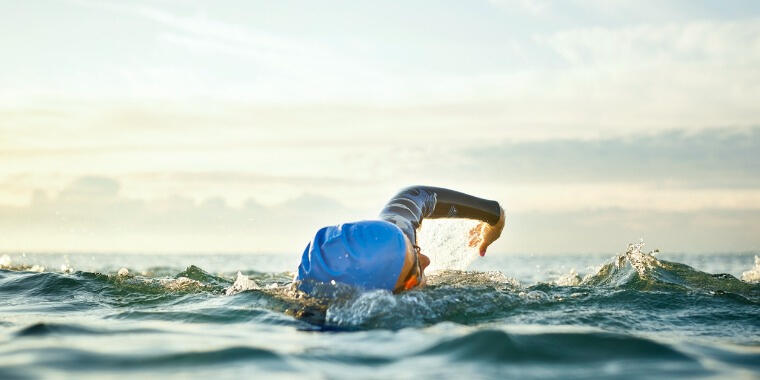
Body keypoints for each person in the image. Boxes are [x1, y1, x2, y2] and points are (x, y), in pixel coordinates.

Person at [295, 186, 506, 296]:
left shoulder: (395, 237)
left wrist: (495, 218)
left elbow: (415, 196)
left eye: (415, 248)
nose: (426, 260)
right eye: (414, 274)